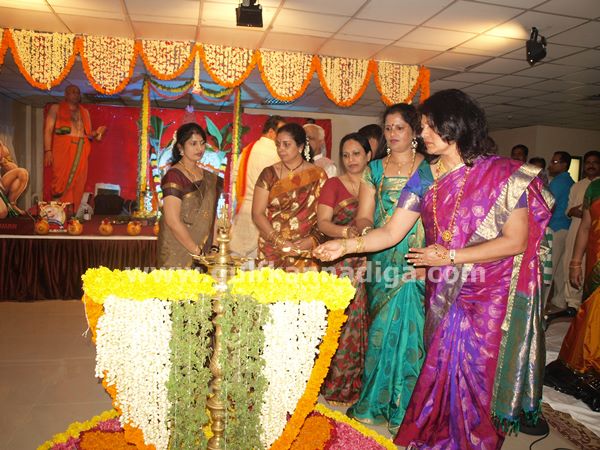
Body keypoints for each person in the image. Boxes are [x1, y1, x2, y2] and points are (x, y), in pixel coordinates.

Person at [314, 89, 553, 449]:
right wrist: (346, 245)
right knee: (441, 368)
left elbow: (516, 241)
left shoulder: (502, 175)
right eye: (422, 126)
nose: (421, 133)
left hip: (488, 294)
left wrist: (451, 257)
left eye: (428, 126)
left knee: (477, 376)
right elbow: (391, 232)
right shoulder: (425, 176)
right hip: (444, 289)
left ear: (454, 126)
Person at [347, 103, 428, 434]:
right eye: (388, 128)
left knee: (413, 335)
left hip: (417, 259)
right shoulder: (375, 169)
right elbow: (364, 215)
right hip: (381, 257)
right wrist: (366, 232)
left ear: (414, 132)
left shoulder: (430, 169)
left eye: (399, 128)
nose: (392, 134)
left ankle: (406, 408)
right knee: (380, 332)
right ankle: (375, 403)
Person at [317, 132, 371, 405]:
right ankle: (333, 383)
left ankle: (361, 385)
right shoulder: (333, 184)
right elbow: (322, 223)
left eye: (356, 153)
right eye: (346, 155)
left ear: (368, 155)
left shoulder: (377, 184)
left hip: (372, 259)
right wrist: (346, 233)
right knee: (340, 322)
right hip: (338, 262)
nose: (351, 160)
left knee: (367, 322)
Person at [544, 177, 600, 412]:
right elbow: (586, 227)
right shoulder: (595, 188)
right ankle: (587, 363)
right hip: (597, 263)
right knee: (593, 312)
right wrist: (576, 262)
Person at [252, 123, 327, 270]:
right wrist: (279, 241)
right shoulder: (269, 174)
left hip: (304, 250)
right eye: (278, 144)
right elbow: (257, 213)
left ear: (300, 147)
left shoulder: (318, 175)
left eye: (286, 144)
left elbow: (325, 216)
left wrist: (312, 240)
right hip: (272, 247)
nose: (281, 149)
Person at [157, 123, 219, 268]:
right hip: (177, 251)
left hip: (206, 251)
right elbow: (172, 221)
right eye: (193, 144)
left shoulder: (208, 177)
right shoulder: (174, 176)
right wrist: (198, 253)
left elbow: (212, 214)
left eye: (202, 143)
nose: (199, 148)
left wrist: (214, 246)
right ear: (180, 147)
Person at [230, 115, 285, 258]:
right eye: (281, 132)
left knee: (237, 257)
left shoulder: (247, 149)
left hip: (243, 210)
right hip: (263, 214)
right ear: (271, 132)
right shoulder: (277, 154)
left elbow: (234, 178)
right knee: (257, 260)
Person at [44, 85, 106, 210]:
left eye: (78, 92)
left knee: (79, 180)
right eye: (72, 92)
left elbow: (88, 134)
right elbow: (48, 130)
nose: (76, 94)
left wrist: (97, 132)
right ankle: (57, 211)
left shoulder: (85, 112)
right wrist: (48, 150)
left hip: (81, 148)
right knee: (60, 179)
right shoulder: (56, 108)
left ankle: (72, 212)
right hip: (63, 148)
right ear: (66, 94)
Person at [562, 151, 600, 311]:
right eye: (588, 162)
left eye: (595, 162)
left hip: (594, 233)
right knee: (571, 262)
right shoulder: (577, 185)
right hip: (577, 228)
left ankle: (584, 303)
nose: (591, 165)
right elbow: (568, 210)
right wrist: (577, 211)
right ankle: (572, 302)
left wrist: (585, 212)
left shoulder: (597, 185)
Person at [545, 151, 575, 312]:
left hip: (555, 228)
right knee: (560, 270)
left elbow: (549, 205)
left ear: (564, 165)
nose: (550, 165)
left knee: (548, 269)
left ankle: (541, 305)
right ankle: (560, 301)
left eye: (555, 162)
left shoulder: (558, 182)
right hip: (566, 228)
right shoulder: (570, 181)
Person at [0, 141, 28, 217]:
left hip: (1, 186)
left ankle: (11, 204)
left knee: (22, 173)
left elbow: (14, 168)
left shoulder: (3, 149)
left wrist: (3, 162)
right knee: (2, 213)